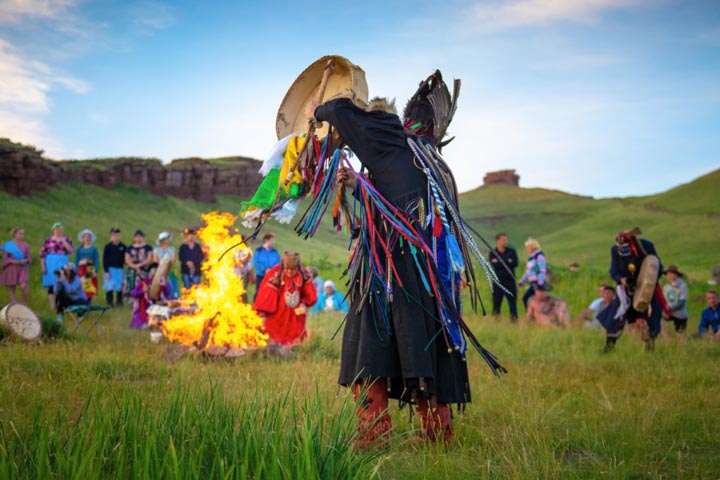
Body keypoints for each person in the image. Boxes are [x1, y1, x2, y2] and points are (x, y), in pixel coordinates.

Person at [304, 72, 504, 448]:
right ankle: (436, 439)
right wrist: (358, 185)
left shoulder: (386, 132)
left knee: (373, 350)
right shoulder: (424, 159)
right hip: (420, 275)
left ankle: (374, 436)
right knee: (422, 351)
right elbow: (394, 201)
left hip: (391, 269)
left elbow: (343, 112)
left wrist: (320, 109)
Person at [607, 228, 665, 351]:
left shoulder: (646, 247)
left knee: (651, 316)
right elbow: (613, 271)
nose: (623, 251)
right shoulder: (614, 250)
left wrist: (647, 282)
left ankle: (649, 348)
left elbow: (657, 267)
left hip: (646, 290)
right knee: (615, 315)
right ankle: (609, 347)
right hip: (625, 290)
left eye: (626, 248)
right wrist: (620, 279)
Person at [253, 251, 317, 346]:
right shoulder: (275, 275)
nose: (289, 272)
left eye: (293, 269)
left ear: (297, 267)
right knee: (275, 339)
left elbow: (309, 294)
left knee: (295, 339)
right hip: (277, 313)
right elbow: (265, 296)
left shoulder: (304, 275)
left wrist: (304, 303)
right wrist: (262, 313)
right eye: (287, 269)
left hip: (295, 314)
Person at [40, 222, 74, 311]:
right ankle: (52, 306)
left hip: (62, 263)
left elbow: (70, 251)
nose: (58, 231)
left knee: (63, 284)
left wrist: (64, 242)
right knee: (52, 285)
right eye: (56, 229)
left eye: (60, 229)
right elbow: (42, 254)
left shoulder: (67, 239)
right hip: (50, 263)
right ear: (53, 230)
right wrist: (43, 266)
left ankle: (62, 305)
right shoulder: (48, 240)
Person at [488, 233, 519, 320]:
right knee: (496, 303)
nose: (506, 241)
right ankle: (496, 320)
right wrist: (507, 261)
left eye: (506, 239)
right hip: (498, 282)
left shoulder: (512, 251)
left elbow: (515, 263)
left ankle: (514, 320)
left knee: (512, 302)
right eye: (503, 240)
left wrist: (499, 261)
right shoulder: (493, 252)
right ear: (498, 241)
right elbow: (493, 264)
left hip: (510, 281)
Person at [0, 228, 31, 304]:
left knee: (23, 286)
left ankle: (24, 304)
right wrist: (14, 261)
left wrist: (25, 261)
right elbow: (5, 259)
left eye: (23, 233)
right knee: (12, 287)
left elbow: (28, 258)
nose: (21, 235)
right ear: (15, 234)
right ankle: (13, 305)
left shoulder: (25, 245)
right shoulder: (8, 245)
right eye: (20, 233)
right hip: (11, 268)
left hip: (22, 268)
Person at [517, 238, 547, 309]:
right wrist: (521, 281)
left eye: (528, 247)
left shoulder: (539, 256)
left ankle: (530, 316)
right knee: (530, 300)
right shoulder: (531, 258)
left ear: (533, 247)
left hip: (538, 283)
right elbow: (528, 272)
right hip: (532, 282)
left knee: (526, 298)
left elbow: (542, 270)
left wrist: (540, 283)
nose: (527, 249)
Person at [125, 230, 153, 302]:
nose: (138, 238)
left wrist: (139, 265)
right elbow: (127, 260)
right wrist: (134, 266)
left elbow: (149, 259)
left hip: (144, 269)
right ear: (134, 238)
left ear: (143, 237)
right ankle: (131, 300)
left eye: (140, 236)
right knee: (131, 283)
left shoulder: (148, 247)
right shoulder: (129, 248)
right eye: (137, 237)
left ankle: (143, 299)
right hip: (132, 269)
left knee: (142, 284)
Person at [102, 228, 126, 307]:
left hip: (119, 269)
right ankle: (109, 302)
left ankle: (119, 302)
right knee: (110, 287)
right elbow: (105, 259)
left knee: (119, 287)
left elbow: (125, 258)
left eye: (117, 235)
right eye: (114, 236)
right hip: (110, 269)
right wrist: (106, 271)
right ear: (111, 237)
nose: (116, 237)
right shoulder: (108, 247)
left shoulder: (123, 247)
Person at [253, 232, 281, 300]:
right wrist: (264, 269)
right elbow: (256, 262)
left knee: (269, 293)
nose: (273, 242)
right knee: (259, 292)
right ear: (266, 240)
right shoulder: (258, 251)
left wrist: (272, 270)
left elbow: (278, 263)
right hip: (261, 275)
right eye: (271, 240)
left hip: (271, 277)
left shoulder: (275, 252)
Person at [662, 265, 689, 334]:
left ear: (677, 275)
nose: (670, 276)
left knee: (680, 333)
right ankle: (666, 338)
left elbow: (681, 302)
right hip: (668, 312)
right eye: (668, 274)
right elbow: (663, 300)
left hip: (679, 313)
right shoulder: (666, 287)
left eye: (672, 274)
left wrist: (671, 308)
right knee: (658, 316)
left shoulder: (683, 286)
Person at [75, 229, 99, 303]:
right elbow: (76, 260)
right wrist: (75, 271)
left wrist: (96, 270)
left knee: (89, 287)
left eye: (88, 236)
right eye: (85, 236)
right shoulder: (79, 249)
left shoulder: (94, 249)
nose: (87, 238)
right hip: (81, 269)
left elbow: (96, 260)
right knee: (81, 286)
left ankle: (88, 303)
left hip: (90, 268)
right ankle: (81, 303)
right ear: (83, 238)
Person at [153, 232, 179, 299]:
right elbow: (155, 260)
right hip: (159, 271)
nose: (168, 240)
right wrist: (162, 268)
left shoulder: (171, 249)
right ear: (163, 240)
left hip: (169, 270)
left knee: (172, 284)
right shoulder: (156, 250)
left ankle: (173, 298)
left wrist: (167, 267)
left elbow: (173, 259)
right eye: (167, 238)